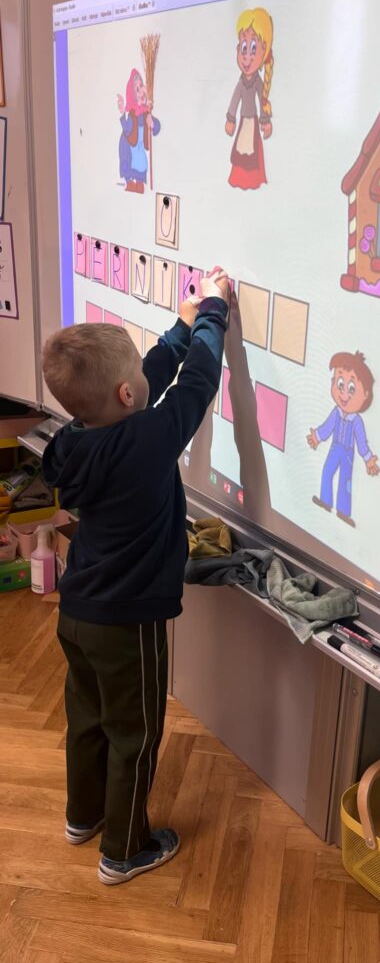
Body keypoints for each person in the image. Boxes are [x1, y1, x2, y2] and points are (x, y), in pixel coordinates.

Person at [41, 269, 230, 884]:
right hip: (129, 622)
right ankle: (124, 850)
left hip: (78, 612)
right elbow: (196, 384)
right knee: (136, 733)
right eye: (136, 380)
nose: (146, 380)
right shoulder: (148, 440)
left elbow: (144, 376)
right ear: (127, 395)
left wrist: (179, 326)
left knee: (89, 719)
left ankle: (83, 816)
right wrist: (213, 313)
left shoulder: (71, 442)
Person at [308, 351, 380, 528]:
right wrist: (317, 436)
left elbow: (361, 442)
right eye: (340, 384)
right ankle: (325, 501)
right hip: (335, 448)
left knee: (345, 481)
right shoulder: (336, 412)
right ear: (333, 382)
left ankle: (343, 511)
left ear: (365, 394)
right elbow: (327, 427)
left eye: (352, 388)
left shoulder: (356, 421)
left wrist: (368, 458)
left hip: (348, 453)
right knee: (327, 472)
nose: (344, 394)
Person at [225, 7, 274, 190]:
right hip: (243, 121)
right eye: (244, 48)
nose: (246, 57)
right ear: (238, 49)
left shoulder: (257, 82)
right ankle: (239, 179)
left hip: (252, 121)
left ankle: (252, 180)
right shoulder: (241, 83)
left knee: (251, 151)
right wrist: (231, 119)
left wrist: (265, 121)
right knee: (241, 150)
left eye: (253, 48)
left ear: (264, 50)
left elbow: (262, 101)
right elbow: (234, 100)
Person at [117, 68, 160, 193]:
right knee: (128, 163)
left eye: (141, 86)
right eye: (137, 90)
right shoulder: (132, 114)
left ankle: (140, 183)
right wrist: (122, 112)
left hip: (139, 148)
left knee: (141, 163)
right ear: (132, 95)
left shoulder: (146, 113)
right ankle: (129, 182)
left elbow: (156, 127)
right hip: (128, 146)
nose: (141, 91)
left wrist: (152, 124)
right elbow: (127, 129)